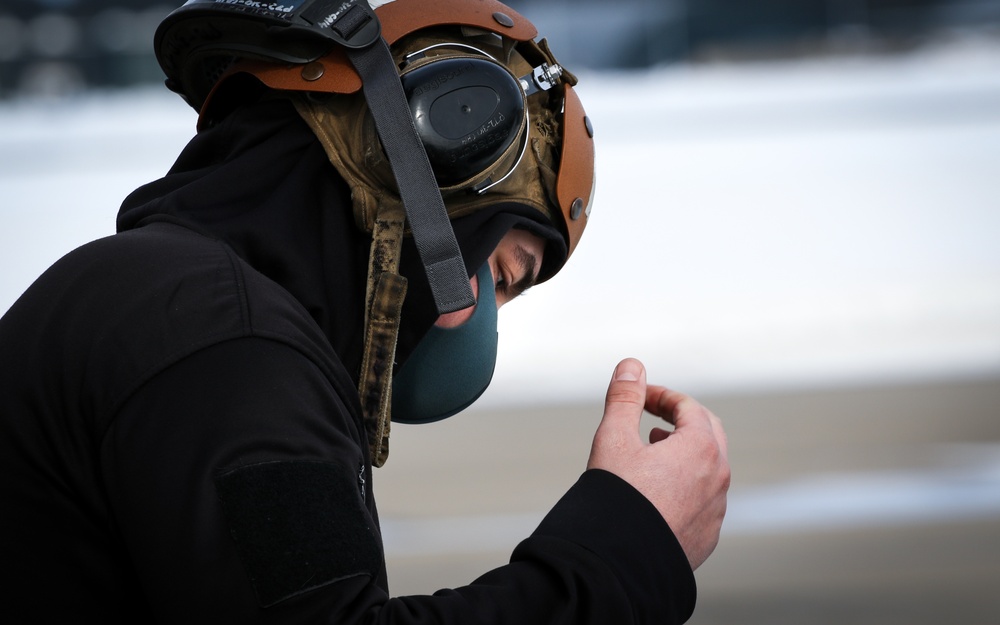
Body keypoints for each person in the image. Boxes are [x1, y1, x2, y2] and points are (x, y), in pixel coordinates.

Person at [0, 0, 729, 623]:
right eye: (503, 269)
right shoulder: (229, 345)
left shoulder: (178, 305)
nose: (482, 310)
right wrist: (628, 547)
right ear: (410, 176)